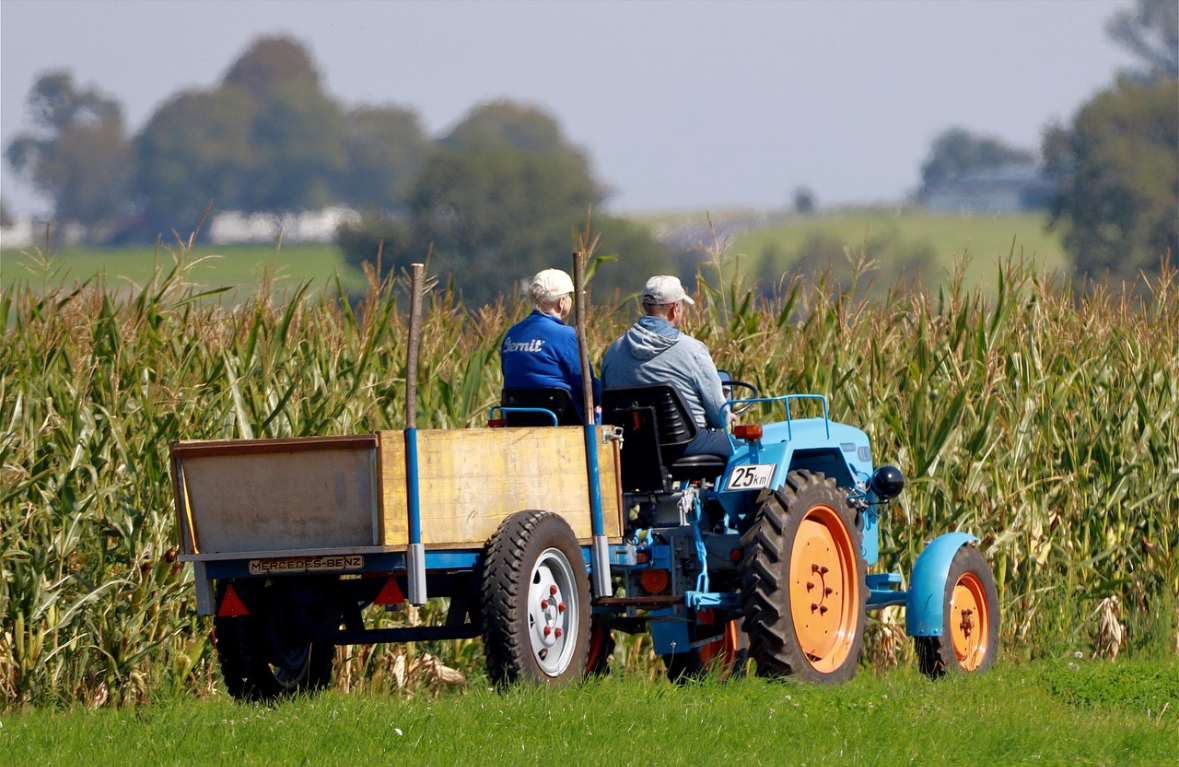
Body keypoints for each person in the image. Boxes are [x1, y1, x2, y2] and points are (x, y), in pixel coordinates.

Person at [601, 275, 733, 460]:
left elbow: (604, 402)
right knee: (743, 450)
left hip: (632, 449)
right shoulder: (692, 349)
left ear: (644, 307)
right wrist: (727, 416)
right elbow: (719, 417)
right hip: (686, 444)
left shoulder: (614, 351)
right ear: (674, 308)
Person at [500, 268, 600, 423]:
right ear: (561, 302)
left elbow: (507, 372)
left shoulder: (512, 334)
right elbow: (587, 386)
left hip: (518, 419)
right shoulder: (567, 335)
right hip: (562, 420)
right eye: (569, 297)